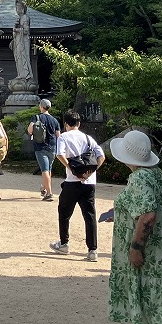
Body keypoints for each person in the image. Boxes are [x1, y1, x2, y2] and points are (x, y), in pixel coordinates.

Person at [107, 129, 162, 324]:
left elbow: (148, 215)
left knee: (130, 305)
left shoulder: (139, 178)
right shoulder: (159, 174)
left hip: (146, 257)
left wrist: (136, 247)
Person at [50, 109, 105, 261]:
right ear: (79, 123)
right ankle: (92, 250)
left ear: (66, 124)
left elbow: (60, 154)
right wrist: (91, 171)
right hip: (89, 182)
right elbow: (101, 156)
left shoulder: (63, 137)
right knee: (89, 215)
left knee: (64, 212)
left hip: (72, 181)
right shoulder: (88, 138)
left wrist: (72, 169)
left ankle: (64, 243)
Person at [27, 99, 61, 201]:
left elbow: (30, 130)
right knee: (48, 169)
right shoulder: (54, 120)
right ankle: (44, 188)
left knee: (45, 170)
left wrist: (32, 132)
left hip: (40, 147)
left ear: (41, 107)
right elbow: (58, 136)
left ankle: (49, 193)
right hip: (52, 148)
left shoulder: (37, 117)